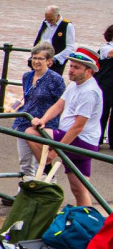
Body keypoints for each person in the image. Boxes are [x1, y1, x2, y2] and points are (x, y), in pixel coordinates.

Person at [26, 48, 103, 206]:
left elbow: (78, 127)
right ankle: (87, 222)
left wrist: (55, 152)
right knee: (79, 189)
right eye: (71, 66)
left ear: (88, 71)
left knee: (30, 133)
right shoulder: (75, 84)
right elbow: (59, 105)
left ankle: (46, 168)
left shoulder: (89, 92)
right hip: (76, 140)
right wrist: (43, 119)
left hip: (81, 141)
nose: (71, 70)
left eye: (76, 68)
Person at [9, 43, 64, 182]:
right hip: (24, 121)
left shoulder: (56, 79)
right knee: (25, 161)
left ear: (49, 61)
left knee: (41, 162)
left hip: (43, 125)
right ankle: (24, 191)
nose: (36, 61)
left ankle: (47, 188)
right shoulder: (27, 76)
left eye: (40, 59)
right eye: (34, 58)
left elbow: (61, 104)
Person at [33, 5, 76, 76]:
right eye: (47, 19)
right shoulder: (45, 23)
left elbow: (70, 48)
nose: (49, 22)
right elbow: (39, 40)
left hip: (56, 63)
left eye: (51, 20)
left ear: (58, 16)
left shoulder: (67, 25)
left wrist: (54, 59)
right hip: (40, 60)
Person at [97, 25, 113, 150]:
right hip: (105, 84)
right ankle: (97, 139)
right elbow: (110, 54)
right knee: (102, 112)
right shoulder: (106, 48)